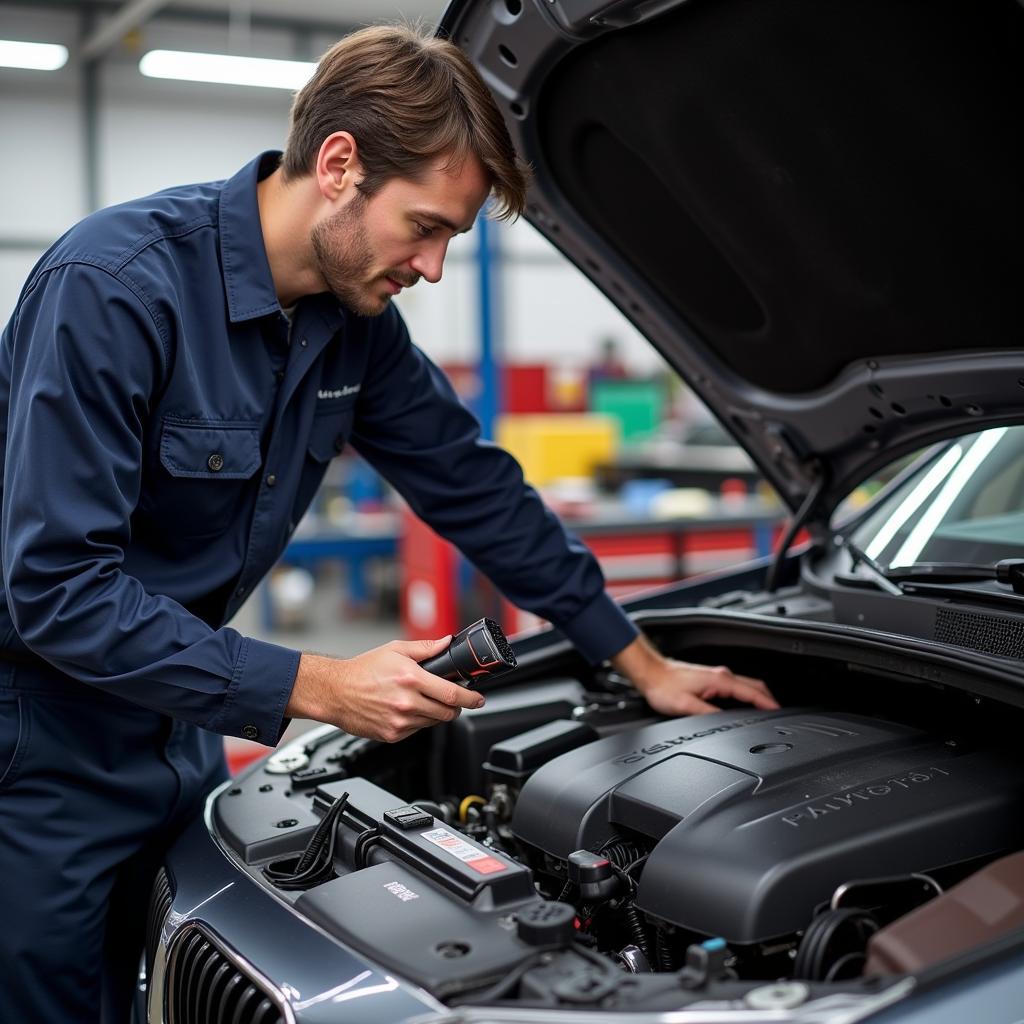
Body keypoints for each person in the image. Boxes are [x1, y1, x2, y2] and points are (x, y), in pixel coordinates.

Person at [0, 24, 777, 1023]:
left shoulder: (352, 327)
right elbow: (57, 590)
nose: (435, 266)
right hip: (44, 745)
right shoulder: (113, 288)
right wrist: (320, 683)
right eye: (423, 226)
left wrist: (639, 662)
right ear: (338, 167)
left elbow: (473, 486)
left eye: (450, 237)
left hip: (182, 717)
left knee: (164, 982)